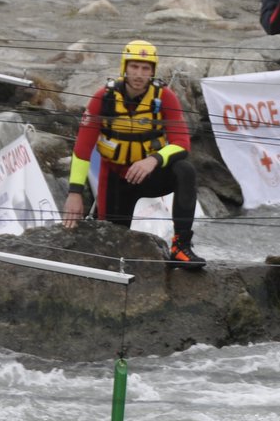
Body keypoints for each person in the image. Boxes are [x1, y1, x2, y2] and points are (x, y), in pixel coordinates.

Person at [61, 40, 205, 269]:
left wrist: (153, 160)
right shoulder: (103, 98)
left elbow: (182, 143)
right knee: (111, 250)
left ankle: (181, 246)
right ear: (124, 68)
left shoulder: (165, 97)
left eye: (145, 68)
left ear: (152, 71)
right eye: (134, 67)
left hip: (149, 176)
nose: (139, 74)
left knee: (184, 170)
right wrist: (75, 193)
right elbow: (82, 149)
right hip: (116, 180)